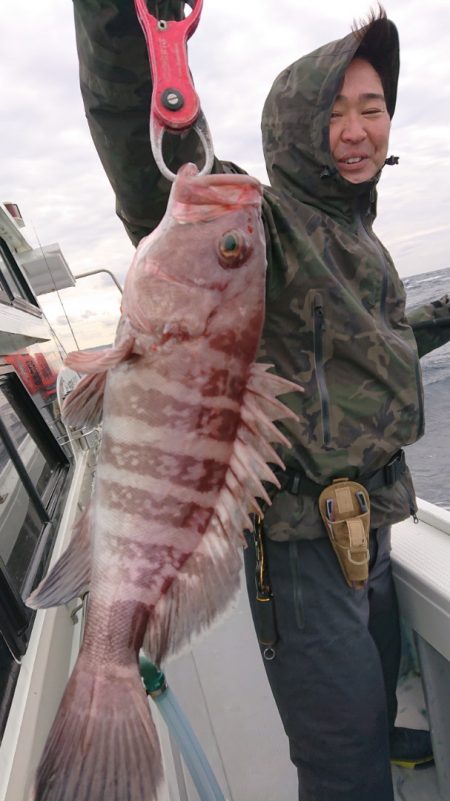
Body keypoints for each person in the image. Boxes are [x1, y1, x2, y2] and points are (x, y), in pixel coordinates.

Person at [73, 3, 450, 799]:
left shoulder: (363, 239)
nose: (356, 129)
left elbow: (372, 357)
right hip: (304, 554)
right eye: (335, 110)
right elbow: (145, 156)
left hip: (375, 529)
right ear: (297, 124)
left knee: (377, 729)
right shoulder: (262, 219)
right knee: (345, 769)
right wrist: (117, 20)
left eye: (373, 107)